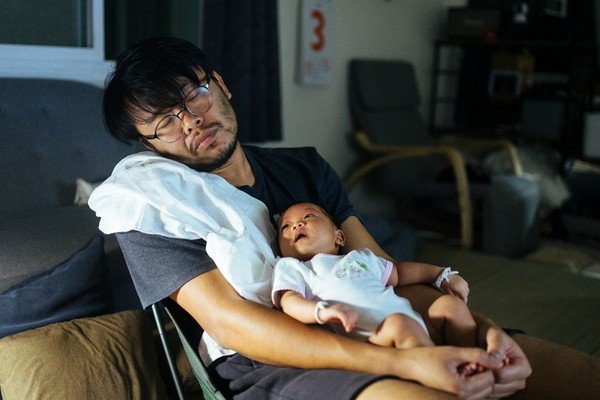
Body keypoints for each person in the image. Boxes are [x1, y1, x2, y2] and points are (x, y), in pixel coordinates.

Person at [94, 36, 549, 400]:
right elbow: (233, 325)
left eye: (194, 95)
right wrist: (403, 363)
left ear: (220, 83)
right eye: (164, 122)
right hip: (267, 363)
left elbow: (382, 272)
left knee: (552, 371)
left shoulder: (304, 167)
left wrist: (483, 332)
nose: (190, 122)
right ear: (149, 145)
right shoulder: (154, 204)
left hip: (383, 321)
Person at [274, 202, 484, 373]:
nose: (296, 226)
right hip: (373, 339)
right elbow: (289, 301)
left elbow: (400, 273)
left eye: (308, 217)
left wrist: (441, 275)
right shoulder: (293, 267)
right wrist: (320, 311)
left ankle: (473, 361)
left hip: (416, 324)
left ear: (339, 236)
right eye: (286, 227)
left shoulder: (360, 257)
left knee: (449, 305)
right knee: (400, 324)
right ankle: (440, 371)